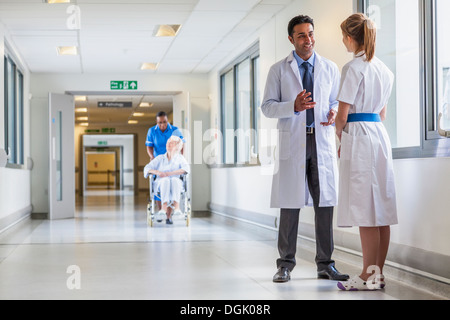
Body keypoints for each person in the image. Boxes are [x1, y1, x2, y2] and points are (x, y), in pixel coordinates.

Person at [261, 14, 349, 283]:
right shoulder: (279, 69)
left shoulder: (330, 67)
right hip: (295, 141)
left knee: (325, 205)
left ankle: (325, 264)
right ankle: (285, 264)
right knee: (290, 204)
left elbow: (335, 100)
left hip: (320, 140)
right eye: (301, 35)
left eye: (310, 34)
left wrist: (334, 111)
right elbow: (267, 106)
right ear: (291, 39)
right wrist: (293, 106)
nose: (307, 40)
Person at [335, 13, 398, 291]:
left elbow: (343, 114)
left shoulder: (352, 68)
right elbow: (381, 113)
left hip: (359, 137)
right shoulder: (385, 70)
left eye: (343, 37)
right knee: (380, 209)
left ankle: (365, 275)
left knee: (365, 210)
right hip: (378, 136)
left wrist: (339, 138)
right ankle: (378, 274)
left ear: (350, 38)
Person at [146, 111, 185, 215]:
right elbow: (149, 146)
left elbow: (181, 144)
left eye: (165, 122)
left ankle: (169, 216)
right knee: (160, 185)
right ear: (156, 122)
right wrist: (152, 157)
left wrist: (180, 156)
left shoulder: (175, 130)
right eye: (160, 123)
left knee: (172, 183)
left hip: (173, 159)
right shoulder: (152, 131)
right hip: (159, 162)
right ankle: (161, 211)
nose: (162, 125)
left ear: (168, 121)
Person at [144, 136, 189, 224]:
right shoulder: (160, 158)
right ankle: (163, 208)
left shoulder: (180, 158)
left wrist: (169, 174)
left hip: (176, 183)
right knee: (165, 180)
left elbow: (186, 169)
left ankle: (177, 208)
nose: (168, 144)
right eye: (168, 142)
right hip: (161, 183)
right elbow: (147, 168)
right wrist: (158, 172)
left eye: (171, 143)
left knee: (174, 180)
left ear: (177, 146)